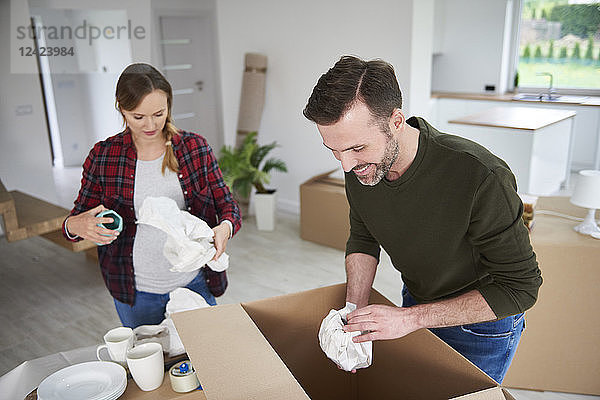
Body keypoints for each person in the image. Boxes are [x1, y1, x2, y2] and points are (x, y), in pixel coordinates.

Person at [303, 56, 542, 383]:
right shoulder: (362, 167)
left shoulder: (480, 176)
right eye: (334, 150)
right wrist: (353, 310)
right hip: (415, 301)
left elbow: (521, 288)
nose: (345, 165)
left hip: (481, 325)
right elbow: (364, 236)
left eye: (357, 148)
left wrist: (410, 319)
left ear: (396, 121)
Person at [62, 63, 242, 329]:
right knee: (150, 366)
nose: (151, 124)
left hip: (194, 283)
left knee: (208, 359)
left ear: (169, 105)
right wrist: (74, 225)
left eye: (159, 113)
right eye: (138, 117)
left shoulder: (195, 148)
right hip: (135, 293)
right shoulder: (103, 156)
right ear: (121, 109)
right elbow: (75, 220)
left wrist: (225, 227)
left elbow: (228, 205)